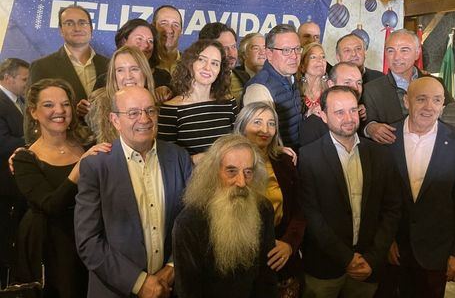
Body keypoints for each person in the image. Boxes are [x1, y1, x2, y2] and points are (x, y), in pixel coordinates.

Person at [75, 86, 192, 298]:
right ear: (115, 120)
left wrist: (171, 270)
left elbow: (192, 221)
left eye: (150, 110)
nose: (144, 119)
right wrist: (140, 283)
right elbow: (88, 241)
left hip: (171, 289)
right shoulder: (96, 166)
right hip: (116, 291)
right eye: (133, 113)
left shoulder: (179, 158)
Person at [298, 86, 401, 298]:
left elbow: (392, 209)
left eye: (353, 110)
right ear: (324, 116)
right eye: (339, 112)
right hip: (325, 268)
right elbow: (312, 215)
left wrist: (372, 257)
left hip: (367, 266)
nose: (348, 118)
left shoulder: (380, 154)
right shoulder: (308, 156)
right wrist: (346, 258)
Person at [12, 78, 111, 298]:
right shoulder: (24, 158)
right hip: (50, 247)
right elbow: (51, 205)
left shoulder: (89, 144)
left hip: (92, 239)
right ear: (33, 112)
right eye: (48, 105)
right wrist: (80, 168)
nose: (59, 110)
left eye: (65, 104)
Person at [381, 77, 455, 298]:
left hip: (436, 253)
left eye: (437, 100)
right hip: (393, 251)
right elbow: (377, 196)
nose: (429, 107)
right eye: (421, 99)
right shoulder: (385, 138)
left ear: (443, 105)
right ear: (406, 101)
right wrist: (385, 239)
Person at [172, 134, 278, 298]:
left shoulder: (264, 209)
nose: (241, 182)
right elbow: (188, 290)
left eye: (248, 172)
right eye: (231, 171)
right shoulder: (189, 222)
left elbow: (267, 276)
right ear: (213, 173)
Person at [234, 102, 305, 297]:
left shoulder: (284, 162)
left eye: (271, 123)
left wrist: (289, 244)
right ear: (242, 126)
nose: (265, 130)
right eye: (257, 122)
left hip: (280, 254)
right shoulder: (228, 164)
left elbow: (299, 210)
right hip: (242, 260)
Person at [362, 29, 453, 144]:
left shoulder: (436, 83)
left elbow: (453, 117)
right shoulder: (371, 89)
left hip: (434, 152)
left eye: (404, 50)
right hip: (392, 155)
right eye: (391, 51)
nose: (396, 57)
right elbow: (360, 123)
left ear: (417, 52)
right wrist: (369, 128)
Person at [157, 39, 237, 164]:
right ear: (190, 63)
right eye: (202, 60)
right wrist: (198, 159)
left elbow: (239, 145)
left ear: (220, 70)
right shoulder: (170, 109)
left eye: (215, 63)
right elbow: (166, 161)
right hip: (191, 180)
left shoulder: (229, 103)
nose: (207, 68)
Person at [29, 5, 108, 105]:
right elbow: (32, 110)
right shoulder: (41, 67)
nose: (77, 28)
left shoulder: (109, 65)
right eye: (69, 23)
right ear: (61, 30)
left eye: (82, 23)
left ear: (91, 28)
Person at [243, 24, 302, 149]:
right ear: (269, 53)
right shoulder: (258, 88)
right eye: (286, 50)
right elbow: (258, 139)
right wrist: (278, 151)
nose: (294, 56)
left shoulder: (291, 77)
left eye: (297, 49)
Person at [85, 46, 156, 143]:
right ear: (113, 76)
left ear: (145, 72)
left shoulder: (158, 103)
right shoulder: (98, 106)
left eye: (134, 69)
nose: (128, 76)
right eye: (120, 70)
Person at [0, 58, 29, 288]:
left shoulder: (19, 101)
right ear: (7, 77)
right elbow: (2, 141)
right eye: (24, 79)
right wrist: (36, 142)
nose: (27, 84)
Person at [299, 62, 365, 146]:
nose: (356, 88)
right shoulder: (313, 125)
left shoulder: (363, 115)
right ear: (331, 84)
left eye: (359, 83)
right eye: (347, 82)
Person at [199, 22, 250, 104]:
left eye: (233, 46)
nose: (231, 53)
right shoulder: (196, 83)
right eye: (224, 48)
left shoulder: (245, 77)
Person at [114, 18, 172, 91]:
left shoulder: (164, 78)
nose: (146, 45)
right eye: (139, 39)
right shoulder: (105, 80)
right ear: (124, 41)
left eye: (150, 41)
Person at [298, 42, 328, 117]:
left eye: (323, 57)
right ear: (302, 65)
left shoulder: (331, 90)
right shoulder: (295, 90)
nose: (320, 60)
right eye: (313, 57)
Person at [152, 5, 183, 74]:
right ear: (153, 27)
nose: (170, 30)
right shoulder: (143, 64)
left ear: (181, 31)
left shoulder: (191, 65)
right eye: (164, 23)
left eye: (175, 25)